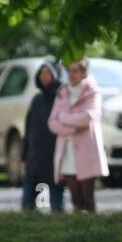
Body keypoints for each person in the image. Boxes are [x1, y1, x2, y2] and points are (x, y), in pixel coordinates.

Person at [49, 58, 109, 213]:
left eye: (75, 71)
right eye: (69, 70)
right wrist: (71, 128)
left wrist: (64, 118)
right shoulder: (62, 92)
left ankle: (92, 226)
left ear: (84, 73)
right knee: (74, 195)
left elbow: (88, 117)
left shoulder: (92, 91)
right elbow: (52, 122)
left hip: (86, 151)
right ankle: (77, 226)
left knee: (87, 195)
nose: (71, 74)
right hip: (67, 151)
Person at [20, 58, 66, 212]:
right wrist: (23, 156)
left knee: (56, 195)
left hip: (54, 156)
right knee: (28, 196)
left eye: (48, 73)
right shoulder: (37, 100)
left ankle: (59, 220)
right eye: (42, 73)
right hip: (34, 156)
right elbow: (28, 130)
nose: (44, 76)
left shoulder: (62, 99)